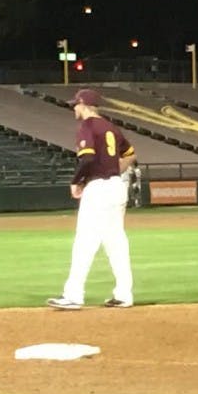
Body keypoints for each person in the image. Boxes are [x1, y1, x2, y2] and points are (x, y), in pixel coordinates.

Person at [47, 88, 136, 311]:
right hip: (117, 186)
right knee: (116, 242)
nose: (74, 108)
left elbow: (87, 158)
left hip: (98, 189)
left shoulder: (87, 126)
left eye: (75, 104)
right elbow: (130, 154)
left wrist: (77, 181)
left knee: (85, 241)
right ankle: (124, 294)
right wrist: (113, 169)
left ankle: (73, 295)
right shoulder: (110, 127)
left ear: (84, 104)